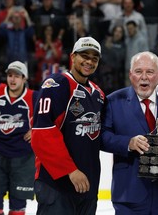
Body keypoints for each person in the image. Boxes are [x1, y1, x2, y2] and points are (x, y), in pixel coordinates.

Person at [101, 51, 158, 215]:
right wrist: (128, 143)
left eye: (150, 72)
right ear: (131, 75)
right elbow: (102, 137)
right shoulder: (113, 101)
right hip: (130, 192)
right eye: (138, 71)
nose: (144, 77)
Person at [31, 36, 105, 215]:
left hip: (87, 186)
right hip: (57, 185)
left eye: (94, 58)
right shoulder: (57, 85)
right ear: (72, 56)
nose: (89, 61)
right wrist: (70, 170)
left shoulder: (99, 94)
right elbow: (42, 134)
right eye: (84, 56)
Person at [0, 61, 37, 215]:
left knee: (17, 207)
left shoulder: (34, 97)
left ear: (24, 78)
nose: (12, 80)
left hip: (23, 159)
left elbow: (52, 117)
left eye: (17, 76)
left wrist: (35, 130)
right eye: (9, 75)